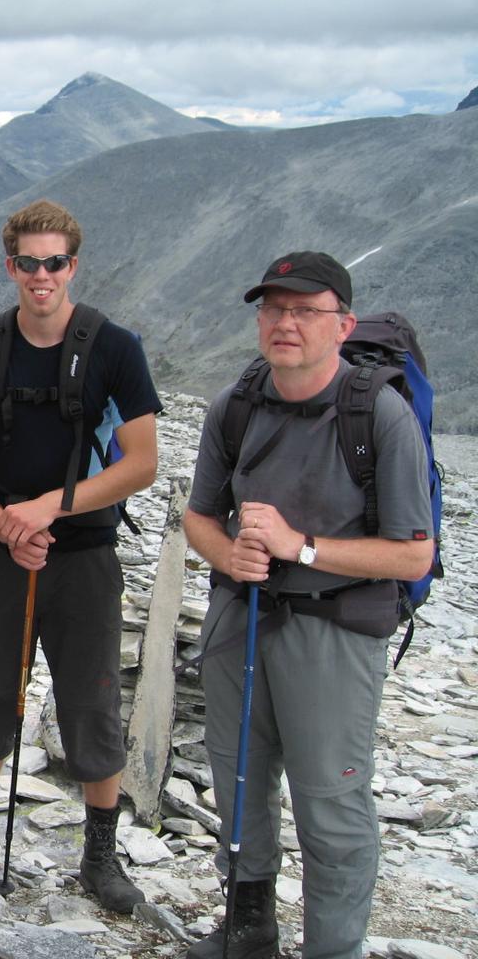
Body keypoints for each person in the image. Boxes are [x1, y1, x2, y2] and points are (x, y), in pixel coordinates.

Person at [183, 252, 433, 959]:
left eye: (304, 310)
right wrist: (226, 553)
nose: (285, 323)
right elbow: (201, 517)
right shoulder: (235, 406)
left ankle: (333, 948)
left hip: (333, 631)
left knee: (329, 798)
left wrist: (301, 547)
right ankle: (247, 926)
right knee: (239, 779)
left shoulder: (378, 415)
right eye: (273, 308)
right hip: (241, 617)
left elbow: (413, 553)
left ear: (343, 324)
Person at [0, 199, 160, 912]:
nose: (41, 275)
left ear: (73, 266)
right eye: (28, 263)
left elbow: (142, 462)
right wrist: (6, 526)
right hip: (2, 552)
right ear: (11, 267)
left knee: (90, 698)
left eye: (54, 262)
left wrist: (46, 511)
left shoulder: (115, 349)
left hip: (86, 552)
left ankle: (100, 853)